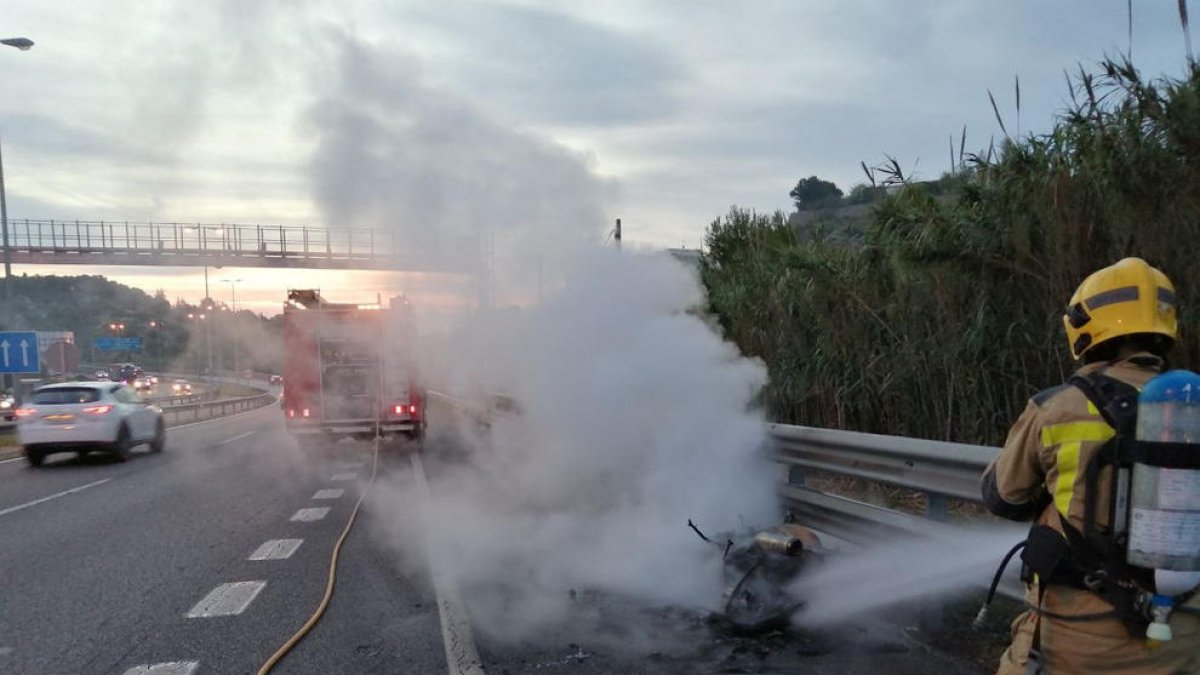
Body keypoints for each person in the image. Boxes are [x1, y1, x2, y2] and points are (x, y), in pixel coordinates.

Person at [982, 257, 1200, 674]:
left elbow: (1003, 498)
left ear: (1084, 327)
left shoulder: (1057, 407)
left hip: (1079, 640)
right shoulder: (1190, 409)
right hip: (1185, 638)